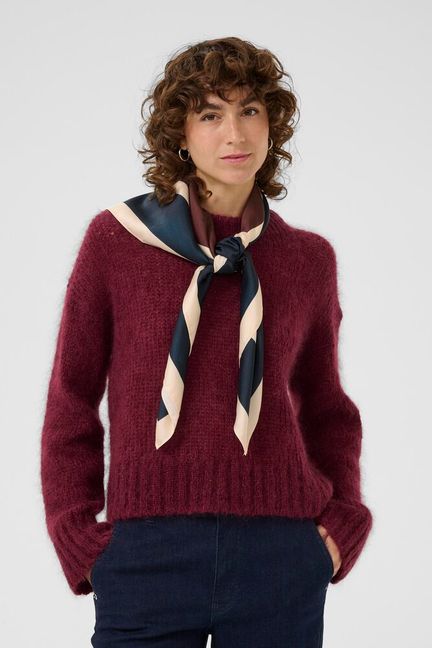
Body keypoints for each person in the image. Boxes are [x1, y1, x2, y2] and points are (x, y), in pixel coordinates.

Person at [40, 36, 373, 647]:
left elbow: (326, 407)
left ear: (272, 125)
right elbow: (71, 397)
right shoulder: (116, 242)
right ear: (181, 134)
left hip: (281, 554)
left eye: (250, 110)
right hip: (145, 554)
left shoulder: (308, 259)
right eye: (211, 114)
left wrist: (344, 521)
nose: (235, 134)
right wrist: (76, 534)